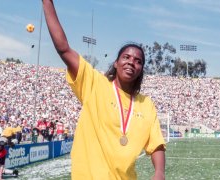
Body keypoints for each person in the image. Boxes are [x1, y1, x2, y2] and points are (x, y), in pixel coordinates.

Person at [42, 1, 166, 179]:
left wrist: (159, 172)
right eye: (126, 57)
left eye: (138, 61)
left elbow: (157, 145)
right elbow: (63, 49)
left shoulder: (146, 104)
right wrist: (47, 1)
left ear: (141, 70)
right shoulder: (94, 84)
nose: (132, 62)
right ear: (116, 63)